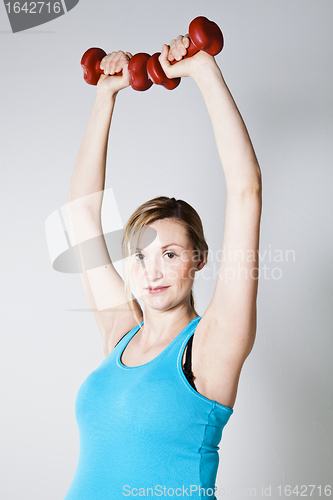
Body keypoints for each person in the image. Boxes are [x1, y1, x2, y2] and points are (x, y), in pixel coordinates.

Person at [64, 33, 262, 500]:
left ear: (199, 259)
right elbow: (79, 215)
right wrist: (105, 95)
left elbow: (245, 190)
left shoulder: (210, 346)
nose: (151, 272)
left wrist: (203, 71)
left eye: (170, 254)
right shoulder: (121, 334)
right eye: (141, 256)